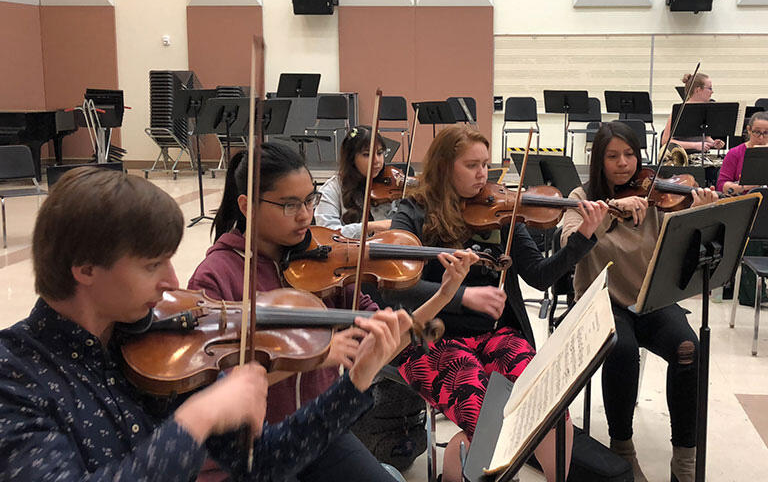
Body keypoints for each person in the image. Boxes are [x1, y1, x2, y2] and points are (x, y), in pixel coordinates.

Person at [0, 166, 421, 481]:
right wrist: (199, 417)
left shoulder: (152, 347)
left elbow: (263, 463)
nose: (171, 281)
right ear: (85, 268)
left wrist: (356, 382)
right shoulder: (15, 374)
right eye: (151, 265)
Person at [189, 144, 477, 482]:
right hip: (250, 450)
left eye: (310, 200)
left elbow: (383, 343)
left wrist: (444, 295)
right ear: (246, 206)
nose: (305, 215)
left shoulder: (321, 261)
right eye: (289, 205)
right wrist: (312, 356)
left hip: (319, 426)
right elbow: (212, 391)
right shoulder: (214, 276)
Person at [383, 124, 610, 482]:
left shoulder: (499, 209)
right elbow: (395, 287)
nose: (482, 174)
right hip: (431, 339)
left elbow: (539, 274)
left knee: (549, 408)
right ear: (444, 168)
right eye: (471, 165)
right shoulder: (412, 214)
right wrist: (462, 296)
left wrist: (582, 239)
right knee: (485, 423)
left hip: (495, 335)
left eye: (485, 164)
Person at [561, 121, 718, 482]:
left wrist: (702, 211)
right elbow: (568, 242)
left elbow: (688, 241)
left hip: (651, 299)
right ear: (598, 161)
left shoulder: (656, 195)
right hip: (603, 303)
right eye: (612, 156)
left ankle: (685, 458)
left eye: (629, 154)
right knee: (622, 350)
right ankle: (623, 449)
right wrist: (609, 208)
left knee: (688, 349)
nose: (623, 164)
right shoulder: (581, 197)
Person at [314, 126, 396, 238]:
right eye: (367, 154)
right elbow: (327, 234)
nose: (376, 161)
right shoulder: (332, 189)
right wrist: (370, 227)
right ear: (351, 158)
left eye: (380, 153)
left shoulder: (392, 185)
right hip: (348, 254)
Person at [661, 72, 725, 152]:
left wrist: (713, 143)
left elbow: (705, 138)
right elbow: (665, 141)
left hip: (700, 157)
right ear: (698, 90)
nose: (712, 92)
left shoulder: (706, 110)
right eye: (710, 88)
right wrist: (695, 145)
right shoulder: (679, 111)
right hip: (682, 156)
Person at [716, 111, 768, 194]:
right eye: (757, 132)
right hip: (744, 201)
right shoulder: (735, 153)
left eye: (766, 133)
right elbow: (721, 186)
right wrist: (745, 186)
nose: (761, 138)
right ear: (749, 130)